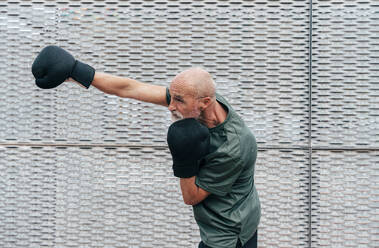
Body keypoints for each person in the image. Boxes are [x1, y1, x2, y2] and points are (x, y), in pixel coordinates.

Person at [32, 45, 261, 248]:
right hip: (230, 220)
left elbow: (191, 196)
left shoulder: (233, 147)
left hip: (228, 232)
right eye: (172, 97)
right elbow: (130, 88)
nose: (171, 106)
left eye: (178, 100)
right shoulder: (196, 98)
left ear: (205, 102)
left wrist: (184, 160)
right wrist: (76, 71)